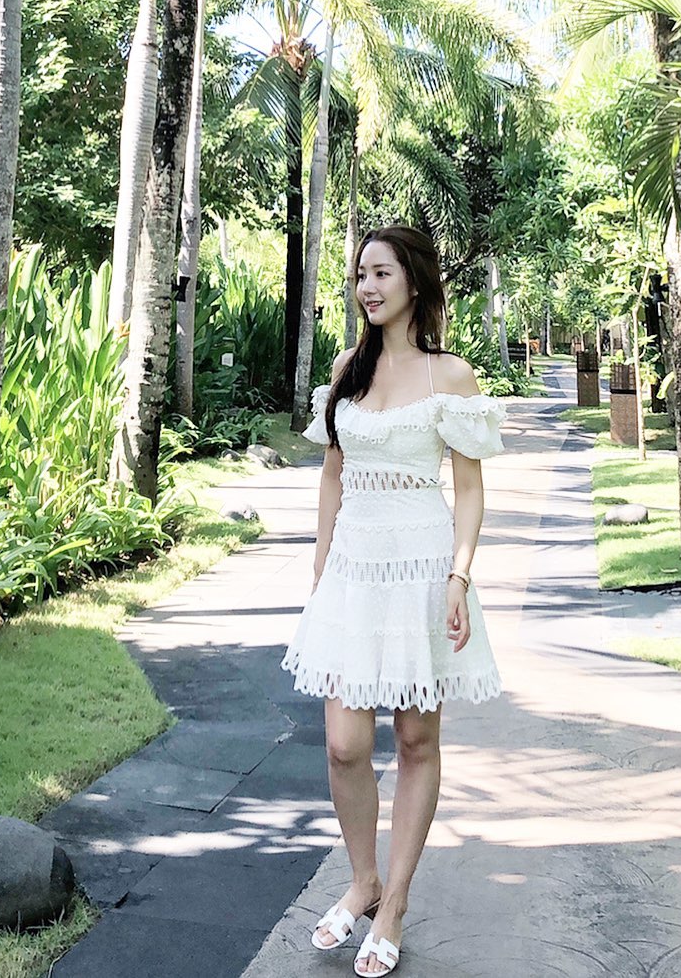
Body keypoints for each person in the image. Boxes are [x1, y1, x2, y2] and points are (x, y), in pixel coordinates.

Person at [281, 224, 505, 976]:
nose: (366, 287)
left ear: (413, 279)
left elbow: (469, 490)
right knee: (344, 744)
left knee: (415, 740)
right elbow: (332, 475)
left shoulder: (451, 376)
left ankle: (396, 901)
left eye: (380, 272)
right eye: (359, 275)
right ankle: (363, 879)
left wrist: (459, 577)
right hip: (353, 572)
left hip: (422, 571)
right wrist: (321, 567)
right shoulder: (348, 368)